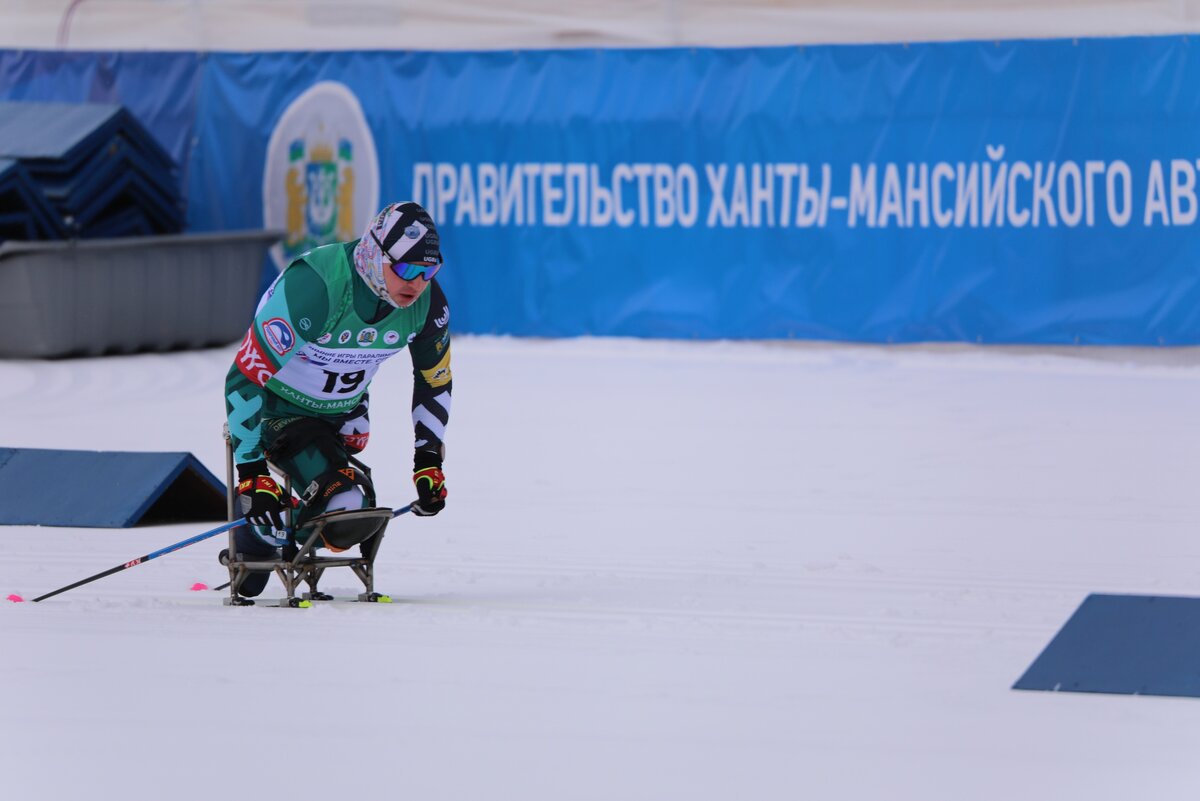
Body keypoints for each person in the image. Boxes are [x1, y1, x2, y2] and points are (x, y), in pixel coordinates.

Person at [223, 200, 452, 597]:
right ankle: (263, 530)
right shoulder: (318, 287)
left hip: (345, 415)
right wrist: (251, 474)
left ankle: (281, 521)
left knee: (355, 513)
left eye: (428, 271)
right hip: (279, 411)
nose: (417, 284)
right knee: (346, 510)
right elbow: (243, 377)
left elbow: (435, 381)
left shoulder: (428, 304)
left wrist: (428, 462)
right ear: (374, 254)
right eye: (407, 269)